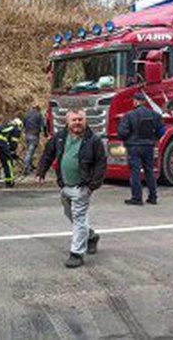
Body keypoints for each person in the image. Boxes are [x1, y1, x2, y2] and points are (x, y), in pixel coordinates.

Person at [37, 109, 106, 269]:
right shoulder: (60, 138)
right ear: (67, 122)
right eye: (74, 120)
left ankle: (76, 253)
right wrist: (41, 171)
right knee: (71, 215)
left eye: (80, 119)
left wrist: (92, 185)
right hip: (65, 185)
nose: (77, 123)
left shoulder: (93, 140)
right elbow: (48, 154)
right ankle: (91, 236)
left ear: (85, 121)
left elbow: (101, 164)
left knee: (79, 218)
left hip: (82, 187)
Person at [118, 93, 166, 205]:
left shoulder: (129, 116)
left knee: (135, 172)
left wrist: (127, 139)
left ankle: (137, 198)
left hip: (133, 147)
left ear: (135, 102)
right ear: (144, 102)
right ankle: (153, 197)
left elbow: (122, 133)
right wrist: (154, 139)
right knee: (149, 171)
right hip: (149, 146)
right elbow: (161, 131)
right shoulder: (155, 115)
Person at [0, 118, 23, 189]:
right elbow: (13, 143)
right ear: (19, 125)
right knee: (7, 161)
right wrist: (12, 152)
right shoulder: (15, 128)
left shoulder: (4, 125)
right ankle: (9, 181)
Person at [22, 105, 48, 175]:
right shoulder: (39, 115)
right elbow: (44, 125)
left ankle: (30, 167)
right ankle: (26, 168)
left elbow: (23, 124)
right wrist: (46, 134)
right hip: (34, 135)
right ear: (38, 109)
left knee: (29, 151)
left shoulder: (27, 114)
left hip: (27, 135)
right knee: (30, 152)